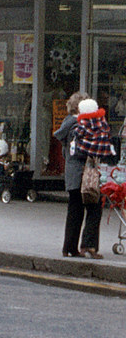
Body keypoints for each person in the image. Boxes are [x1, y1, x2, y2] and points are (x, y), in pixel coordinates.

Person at [55, 94, 115, 258]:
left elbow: (66, 151)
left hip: (73, 173)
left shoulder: (67, 124)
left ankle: (69, 247)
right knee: (94, 207)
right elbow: (82, 149)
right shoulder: (79, 126)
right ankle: (88, 246)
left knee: (75, 210)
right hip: (83, 174)